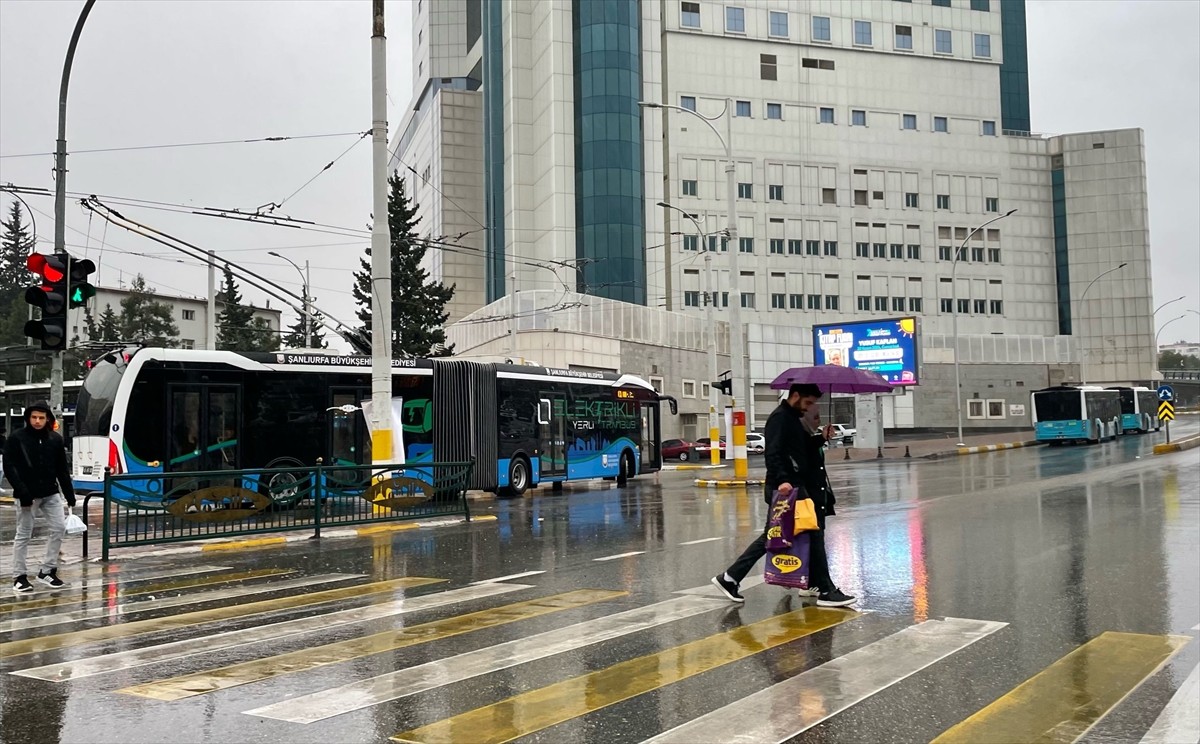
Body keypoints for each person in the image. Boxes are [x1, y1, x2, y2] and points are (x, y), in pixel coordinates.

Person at [711, 383, 856, 608]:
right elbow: (774, 452)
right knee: (809, 533)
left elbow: (800, 450)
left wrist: (821, 438)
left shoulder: (791, 418)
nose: (809, 408)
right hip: (789, 487)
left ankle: (730, 578)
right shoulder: (780, 418)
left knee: (778, 536)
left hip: (796, 486)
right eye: (807, 402)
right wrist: (783, 480)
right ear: (795, 396)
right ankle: (826, 590)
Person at [5, 401, 76, 593]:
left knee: (59, 528)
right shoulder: (16, 438)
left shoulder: (55, 439)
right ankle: (19, 576)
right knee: (23, 534)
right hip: (27, 495)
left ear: (47, 419)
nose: (37, 421)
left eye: (41, 418)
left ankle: (47, 571)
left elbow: (62, 469)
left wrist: (69, 494)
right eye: (34, 417)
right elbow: (9, 467)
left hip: (51, 493)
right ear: (28, 418)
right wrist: (21, 490)